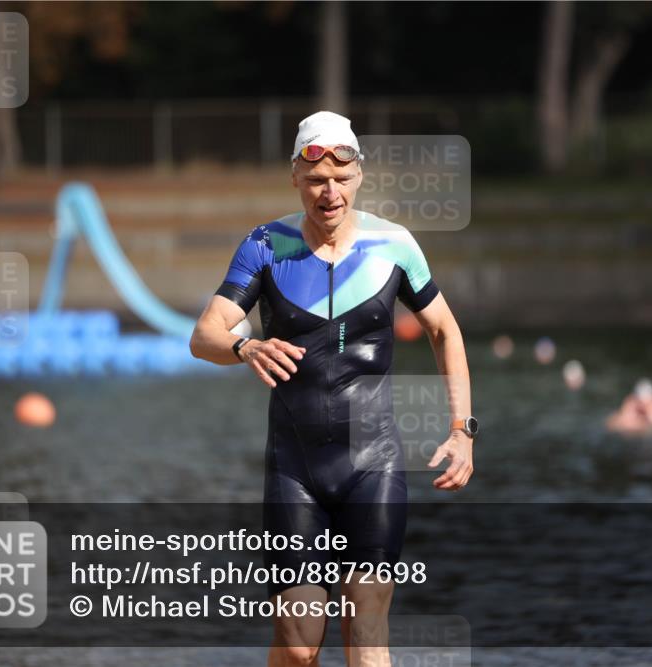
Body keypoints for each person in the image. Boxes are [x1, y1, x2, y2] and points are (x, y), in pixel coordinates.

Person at [190, 111, 477, 667]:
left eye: (341, 180)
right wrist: (245, 347)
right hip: (294, 469)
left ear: (359, 178)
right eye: (317, 180)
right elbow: (204, 335)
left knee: (365, 631)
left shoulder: (393, 245)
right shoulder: (264, 246)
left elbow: (446, 330)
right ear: (295, 177)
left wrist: (462, 431)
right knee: (300, 647)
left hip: (374, 465)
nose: (330, 193)